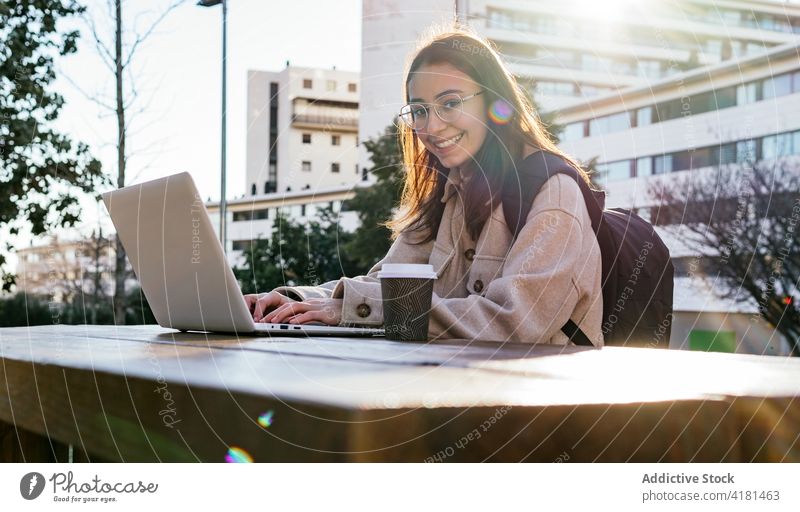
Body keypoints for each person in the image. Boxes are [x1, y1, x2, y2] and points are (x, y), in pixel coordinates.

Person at [244, 28, 604, 346]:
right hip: (457, 394)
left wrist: (359, 311)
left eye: (450, 103)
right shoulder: (448, 193)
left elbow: (518, 322)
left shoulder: (553, 193)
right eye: (419, 110)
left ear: (494, 101)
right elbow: (383, 284)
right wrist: (290, 299)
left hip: (544, 412)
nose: (430, 126)